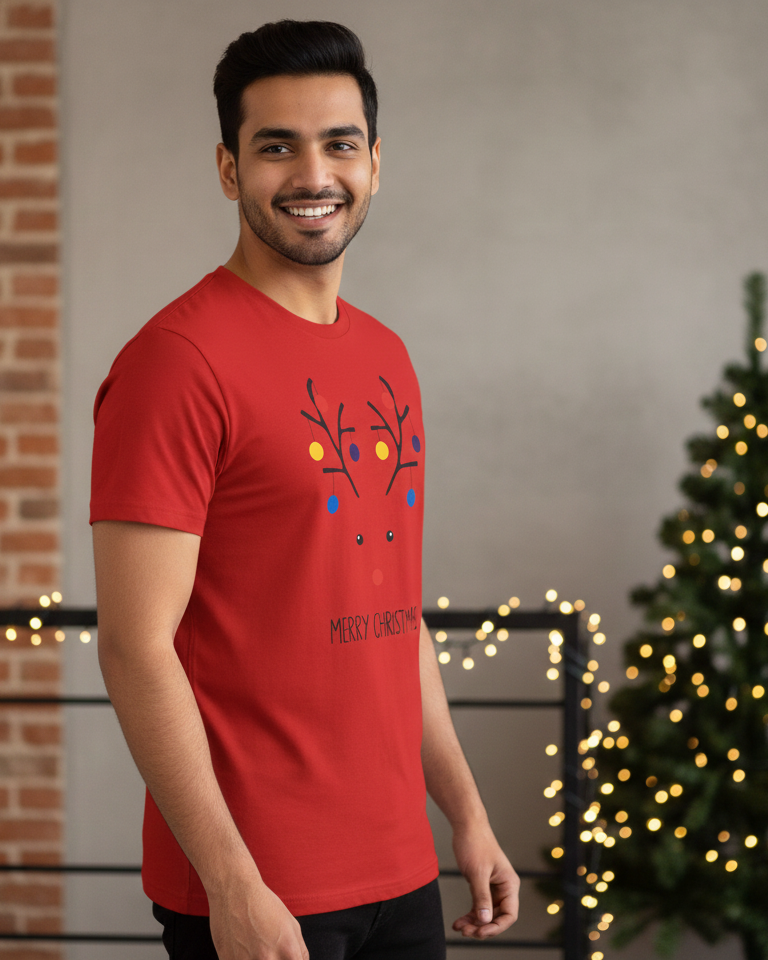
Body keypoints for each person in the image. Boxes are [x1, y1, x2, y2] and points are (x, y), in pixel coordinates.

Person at [90, 19, 519, 960]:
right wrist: (231, 884)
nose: (313, 174)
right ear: (228, 168)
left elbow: (394, 618)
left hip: (401, 870)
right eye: (276, 146)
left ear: (375, 163)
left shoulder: (387, 357)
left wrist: (465, 812)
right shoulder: (175, 364)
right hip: (262, 887)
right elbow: (133, 647)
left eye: (340, 144)